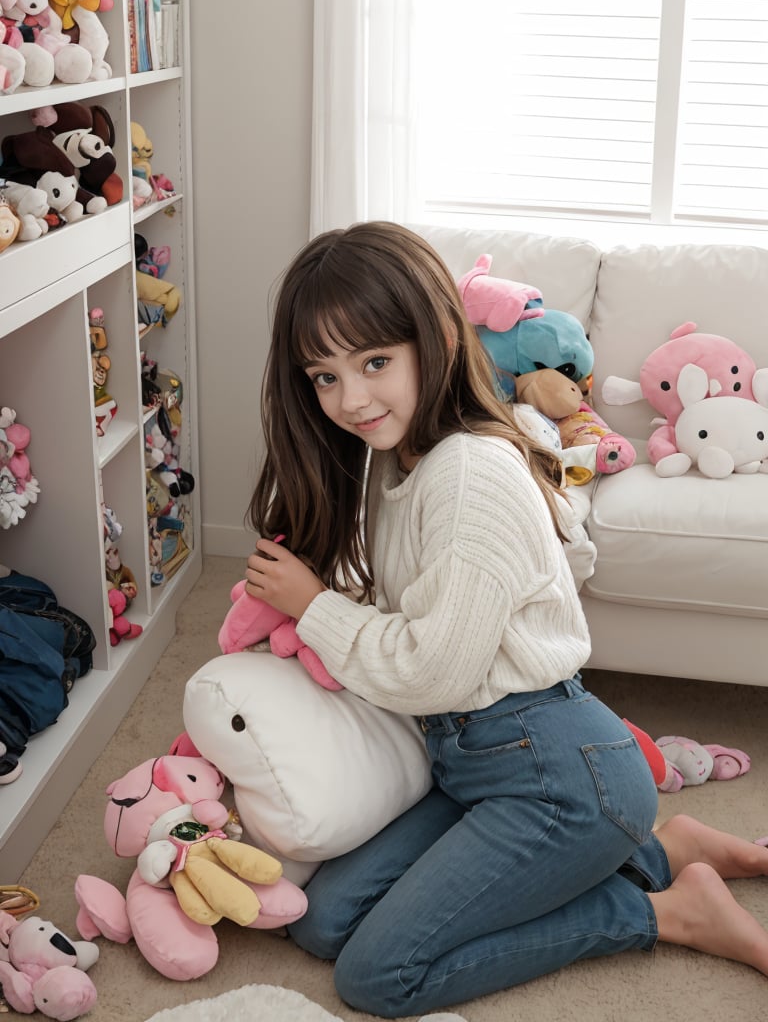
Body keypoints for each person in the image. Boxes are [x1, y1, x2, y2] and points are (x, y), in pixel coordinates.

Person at [242, 221, 768, 1018]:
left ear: (437, 337)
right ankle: (664, 851)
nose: (349, 399)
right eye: (323, 376)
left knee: (380, 977)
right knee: (326, 923)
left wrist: (313, 609)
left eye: (375, 362)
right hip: (475, 766)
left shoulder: (469, 472)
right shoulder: (398, 461)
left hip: (561, 777)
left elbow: (432, 671)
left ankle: (665, 910)